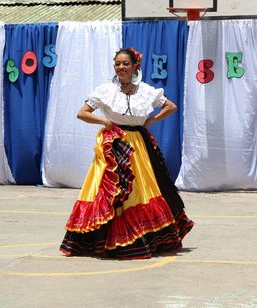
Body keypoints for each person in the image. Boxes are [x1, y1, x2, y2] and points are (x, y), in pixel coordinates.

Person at [60, 48, 194, 259]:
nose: (121, 67)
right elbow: (82, 113)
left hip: (139, 146)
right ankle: (105, 239)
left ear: (135, 66)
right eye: (117, 64)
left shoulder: (146, 91)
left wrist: (151, 120)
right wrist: (104, 121)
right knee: (112, 191)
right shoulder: (105, 91)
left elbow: (171, 106)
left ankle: (142, 235)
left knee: (141, 191)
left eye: (125, 64)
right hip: (115, 143)